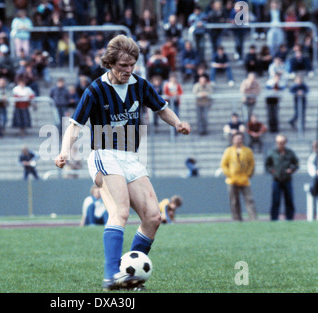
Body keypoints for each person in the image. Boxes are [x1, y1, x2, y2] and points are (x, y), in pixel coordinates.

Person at [54, 35, 191, 291]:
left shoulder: (140, 85)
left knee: (153, 217)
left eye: (132, 65)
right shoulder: (95, 89)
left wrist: (178, 123)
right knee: (121, 211)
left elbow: (161, 108)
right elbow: (74, 126)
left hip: (130, 157)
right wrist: (64, 152)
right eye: (123, 66)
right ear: (110, 63)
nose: (128, 71)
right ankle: (111, 276)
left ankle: (128, 276)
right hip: (103, 154)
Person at [220, 132, 257, 222]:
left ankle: (253, 218)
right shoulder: (228, 151)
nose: (238, 140)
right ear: (233, 140)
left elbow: (251, 164)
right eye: (237, 138)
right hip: (232, 180)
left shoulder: (248, 151)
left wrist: (248, 174)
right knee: (234, 201)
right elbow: (223, 165)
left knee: (249, 200)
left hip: (244, 179)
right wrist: (229, 174)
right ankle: (236, 219)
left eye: (240, 138)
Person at [264, 134, 299, 221]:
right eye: (279, 142)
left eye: (282, 142)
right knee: (275, 200)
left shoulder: (290, 153)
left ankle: (290, 218)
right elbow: (267, 164)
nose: (280, 144)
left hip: (287, 180)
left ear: (285, 142)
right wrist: (272, 170)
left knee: (289, 200)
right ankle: (274, 218)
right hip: (276, 179)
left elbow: (296, 163)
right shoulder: (272, 152)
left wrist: (292, 169)